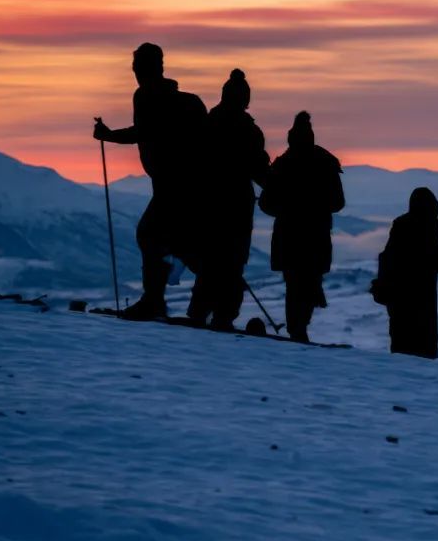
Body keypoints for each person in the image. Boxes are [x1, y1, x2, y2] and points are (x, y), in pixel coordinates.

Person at [93, 43, 207, 320]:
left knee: (152, 234)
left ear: (142, 68)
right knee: (178, 240)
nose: (135, 72)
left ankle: (155, 300)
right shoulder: (186, 102)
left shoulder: (146, 95)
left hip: (171, 183)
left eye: (137, 66)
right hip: (190, 182)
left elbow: (144, 131)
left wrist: (108, 135)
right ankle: (209, 294)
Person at [187, 69, 270, 330]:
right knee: (232, 262)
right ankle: (224, 314)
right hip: (236, 204)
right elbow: (258, 168)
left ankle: (199, 311)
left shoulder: (207, 123)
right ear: (245, 99)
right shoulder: (249, 130)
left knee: (209, 259)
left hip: (207, 201)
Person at [258, 112, 344, 343]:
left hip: (289, 234)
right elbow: (338, 202)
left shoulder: (283, 165)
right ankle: (300, 327)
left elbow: (266, 203)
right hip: (315, 235)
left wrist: (288, 209)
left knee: (295, 283)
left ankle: (297, 328)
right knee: (308, 281)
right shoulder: (325, 164)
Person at [370, 188, 438, 359]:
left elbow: (391, 257)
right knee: (422, 349)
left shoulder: (402, 225)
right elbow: (432, 263)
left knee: (402, 346)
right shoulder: (429, 227)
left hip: (400, 297)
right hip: (420, 298)